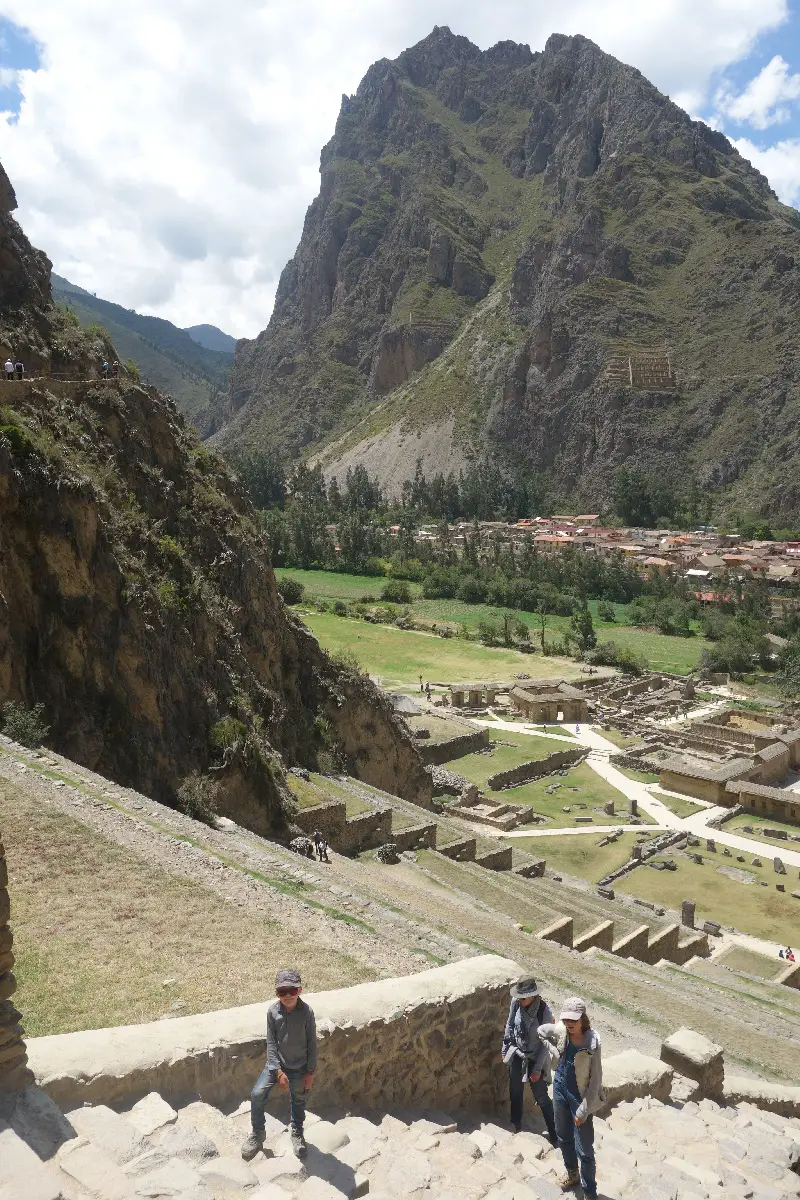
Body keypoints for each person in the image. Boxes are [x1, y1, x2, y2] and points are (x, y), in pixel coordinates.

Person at [242, 967, 317, 1162]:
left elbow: (312, 1043)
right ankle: (258, 1134)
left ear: (299, 990)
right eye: (281, 992)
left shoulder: (307, 1012)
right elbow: (271, 1042)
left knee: (298, 1100)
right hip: (276, 1066)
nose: (286, 996)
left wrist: (310, 1072)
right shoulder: (272, 1012)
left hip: (300, 1067)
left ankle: (297, 1133)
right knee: (257, 1094)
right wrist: (277, 1072)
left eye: (291, 991)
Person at [538, 997, 603, 1199]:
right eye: (566, 1020)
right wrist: (554, 1051)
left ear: (583, 1019)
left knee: (584, 1149)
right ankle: (572, 1173)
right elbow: (541, 1032)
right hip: (559, 1089)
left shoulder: (592, 1042)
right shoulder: (561, 1030)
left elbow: (595, 1081)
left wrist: (583, 1110)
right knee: (563, 1135)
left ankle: (590, 1192)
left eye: (573, 1021)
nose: (569, 1024)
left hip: (580, 1096)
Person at [502, 976, 557, 1142]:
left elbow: (545, 1044)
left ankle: (555, 1133)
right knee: (515, 1090)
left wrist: (537, 1069)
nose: (520, 1000)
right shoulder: (516, 1003)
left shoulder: (544, 1012)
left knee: (541, 1097)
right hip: (518, 1053)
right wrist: (505, 1048)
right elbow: (510, 1025)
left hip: (535, 1058)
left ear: (533, 996)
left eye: (523, 997)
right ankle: (516, 1122)